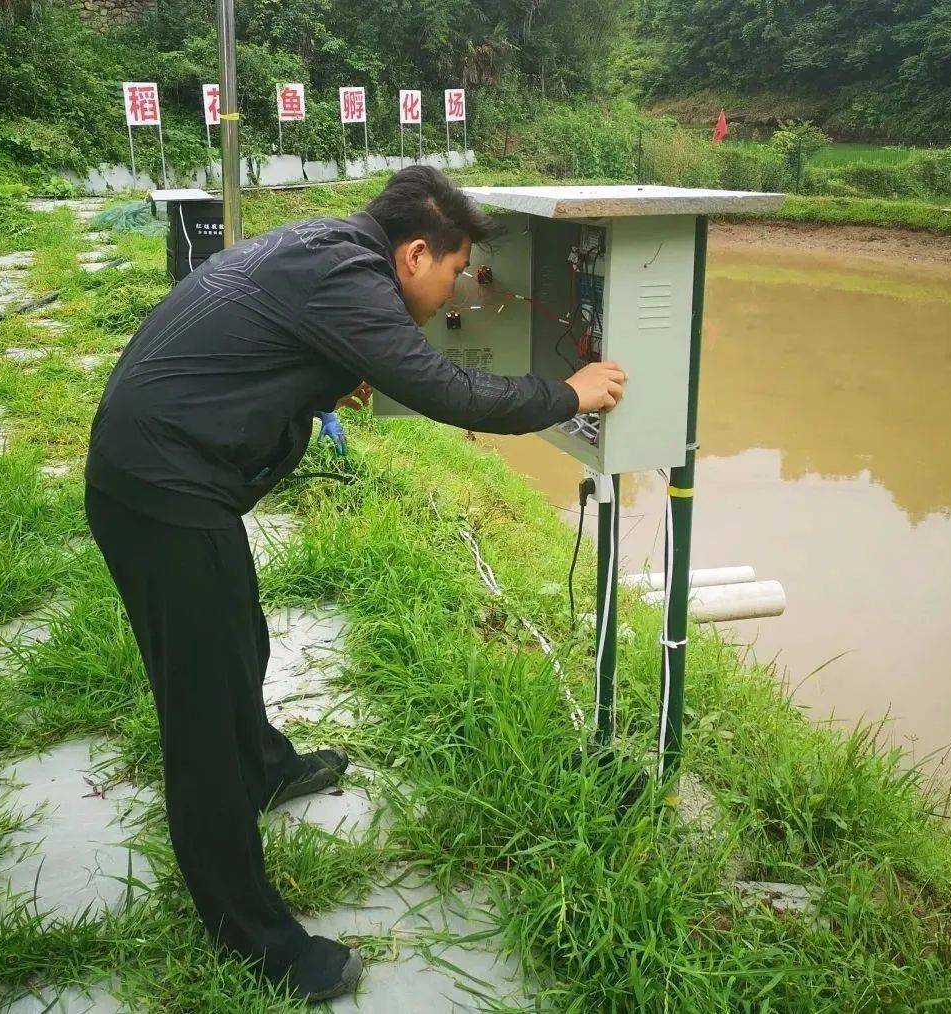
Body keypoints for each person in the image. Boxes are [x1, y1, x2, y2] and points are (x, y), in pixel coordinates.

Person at [83, 166, 626, 1002]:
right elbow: (451, 389)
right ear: (415, 252)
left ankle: (263, 768)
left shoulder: (329, 250)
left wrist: (323, 373)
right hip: (158, 492)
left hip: (168, 472)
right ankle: (253, 939)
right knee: (197, 714)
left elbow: (266, 345)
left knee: (239, 635)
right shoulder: (349, 279)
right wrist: (567, 393)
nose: (453, 297)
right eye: (453, 274)